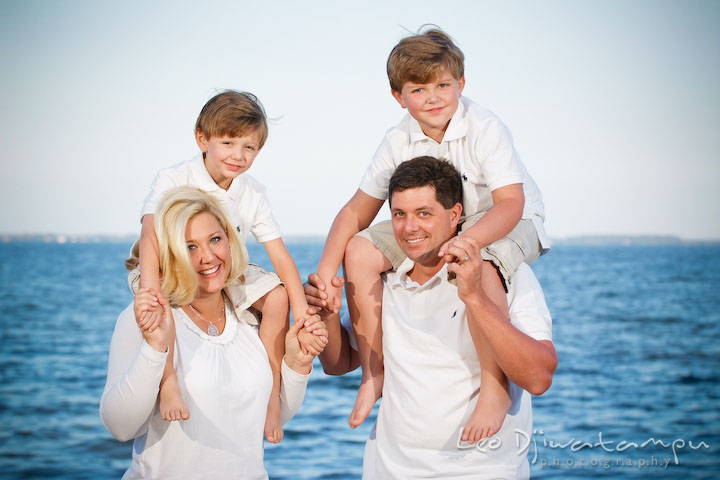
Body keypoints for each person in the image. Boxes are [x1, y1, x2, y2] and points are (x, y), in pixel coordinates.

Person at [315, 27, 551, 435]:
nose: (434, 97)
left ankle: (495, 390)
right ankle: (374, 374)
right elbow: (356, 211)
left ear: (461, 84)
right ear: (399, 97)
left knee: (483, 265)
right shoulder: (397, 139)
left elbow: (512, 203)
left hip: (509, 220)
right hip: (441, 221)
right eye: (419, 89)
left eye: (443, 85)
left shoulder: (484, 126)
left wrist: (469, 241)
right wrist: (325, 274)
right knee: (359, 251)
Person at [307, 157, 557, 478]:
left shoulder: (505, 274)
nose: (410, 228)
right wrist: (327, 315)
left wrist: (475, 298)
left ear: (454, 215)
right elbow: (338, 363)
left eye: (424, 213)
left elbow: (539, 377)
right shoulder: (384, 279)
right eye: (400, 215)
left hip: (482, 471)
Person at [133, 90, 321, 443]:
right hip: (171, 263)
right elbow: (149, 237)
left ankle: (269, 397)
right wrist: (148, 288)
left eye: (249, 147)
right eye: (229, 142)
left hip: (226, 268)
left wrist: (303, 314)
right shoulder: (173, 178)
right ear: (202, 138)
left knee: (278, 298)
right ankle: (169, 382)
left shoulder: (252, 192)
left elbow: (279, 255)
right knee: (163, 301)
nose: (239, 155)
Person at [101, 186, 327, 479]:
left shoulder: (249, 318)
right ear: (170, 255)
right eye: (190, 247)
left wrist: (298, 364)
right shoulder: (145, 320)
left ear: (230, 241)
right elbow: (120, 427)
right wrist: (154, 349)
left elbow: (267, 418)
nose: (207, 257)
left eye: (215, 240)